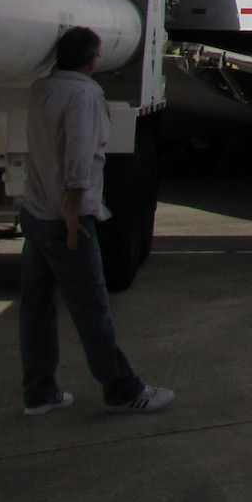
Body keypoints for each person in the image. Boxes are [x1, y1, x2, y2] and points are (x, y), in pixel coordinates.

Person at [18, 27, 172, 416]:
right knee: (92, 310)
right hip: (67, 218)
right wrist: (72, 215)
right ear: (93, 58)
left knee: (37, 307)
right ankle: (122, 389)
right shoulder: (84, 95)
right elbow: (79, 158)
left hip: (36, 213)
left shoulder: (42, 89)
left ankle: (39, 391)